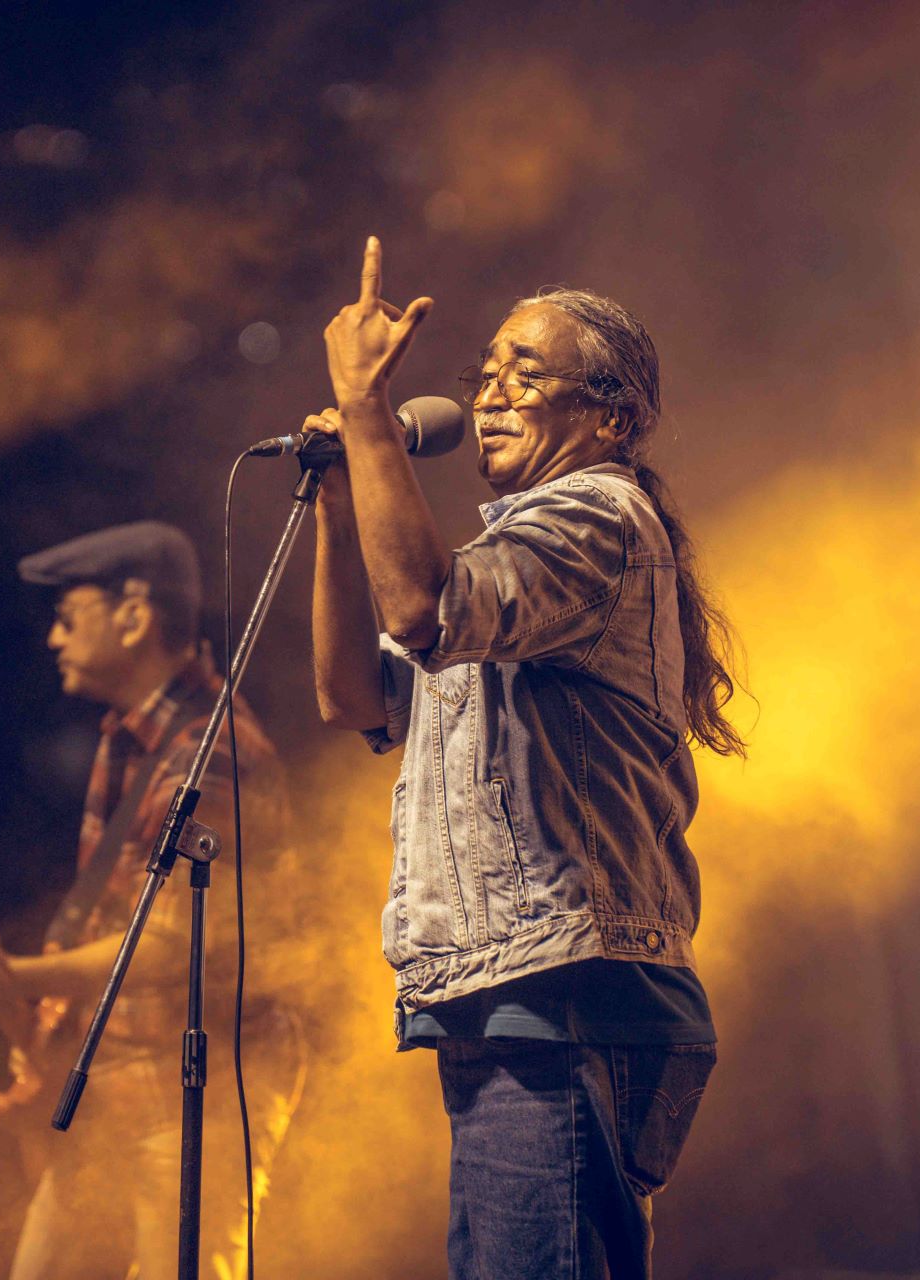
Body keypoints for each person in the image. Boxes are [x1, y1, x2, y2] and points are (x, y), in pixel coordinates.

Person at [308, 239, 746, 1279]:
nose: (493, 394)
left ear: (610, 418)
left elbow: (421, 607)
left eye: (527, 374)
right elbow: (353, 698)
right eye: (487, 372)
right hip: (512, 993)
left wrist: (367, 415)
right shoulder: (508, 564)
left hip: (566, 996)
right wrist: (336, 502)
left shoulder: (598, 518)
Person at [0, 520, 302, 1280]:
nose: (53, 640)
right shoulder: (129, 739)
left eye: (68, 618)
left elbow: (162, 947)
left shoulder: (210, 752)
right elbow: (112, 921)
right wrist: (3, 984)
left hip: (198, 1085)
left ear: (133, 617)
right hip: (120, 1078)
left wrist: (13, 975)